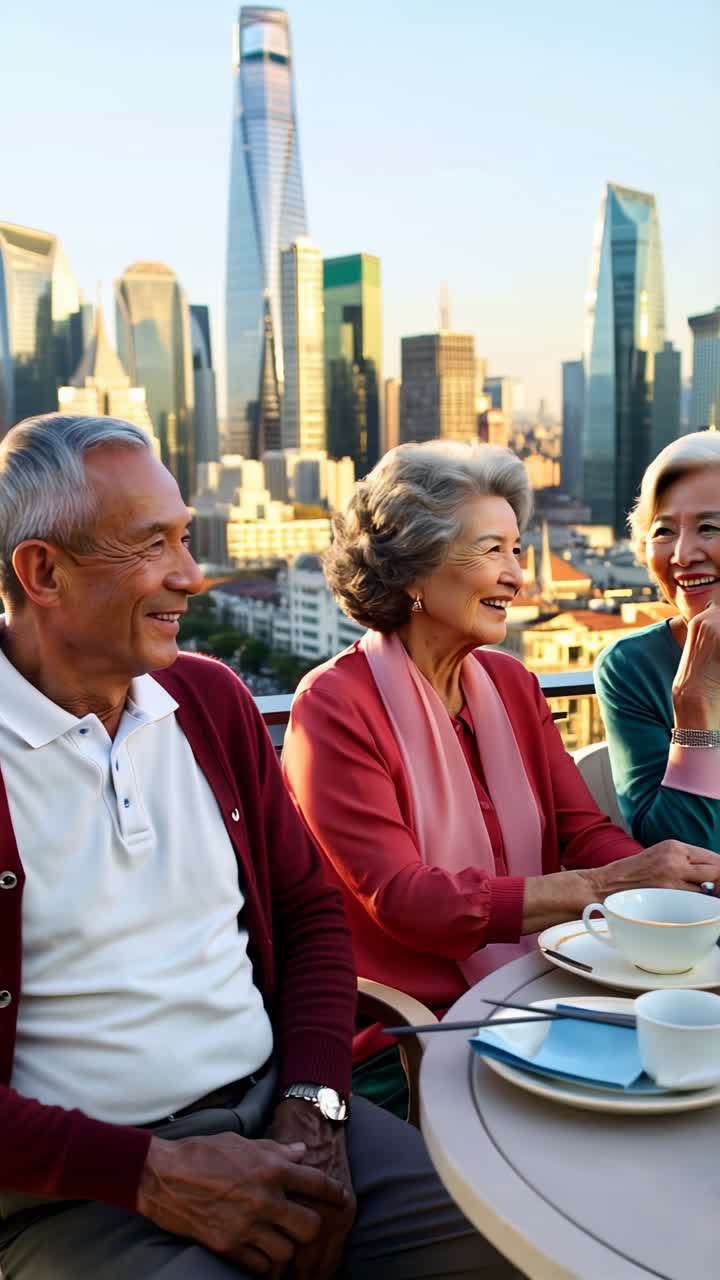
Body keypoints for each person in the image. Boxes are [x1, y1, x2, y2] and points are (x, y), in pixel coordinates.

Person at [0, 414, 520, 1280]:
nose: (191, 576)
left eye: (186, 536)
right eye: (151, 546)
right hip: (78, 1192)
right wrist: (154, 1176)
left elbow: (311, 913)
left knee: (522, 1242)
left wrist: (313, 1108)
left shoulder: (210, 701)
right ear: (42, 570)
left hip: (282, 1114)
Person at [282, 440, 720, 1117]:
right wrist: (610, 887)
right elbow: (411, 902)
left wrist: (675, 878)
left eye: (517, 550)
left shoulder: (512, 684)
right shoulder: (333, 706)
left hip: (548, 990)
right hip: (409, 1037)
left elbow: (585, 833)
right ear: (412, 572)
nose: (517, 576)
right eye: (492, 551)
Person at [595, 431, 720, 852]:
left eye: (709, 527)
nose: (683, 554)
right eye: (663, 531)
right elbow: (675, 853)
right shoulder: (631, 667)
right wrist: (693, 707)